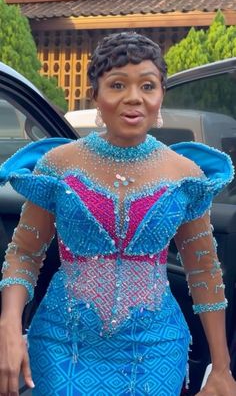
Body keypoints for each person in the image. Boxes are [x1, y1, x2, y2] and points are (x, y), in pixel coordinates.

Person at [0, 32, 235, 396]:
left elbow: (203, 270)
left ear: (161, 96)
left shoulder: (185, 174)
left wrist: (221, 369)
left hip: (155, 350)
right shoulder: (58, 164)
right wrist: (10, 326)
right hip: (63, 344)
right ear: (96, 95)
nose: (134, 97)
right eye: (117, 84)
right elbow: (24, 254)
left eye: (147, 85)